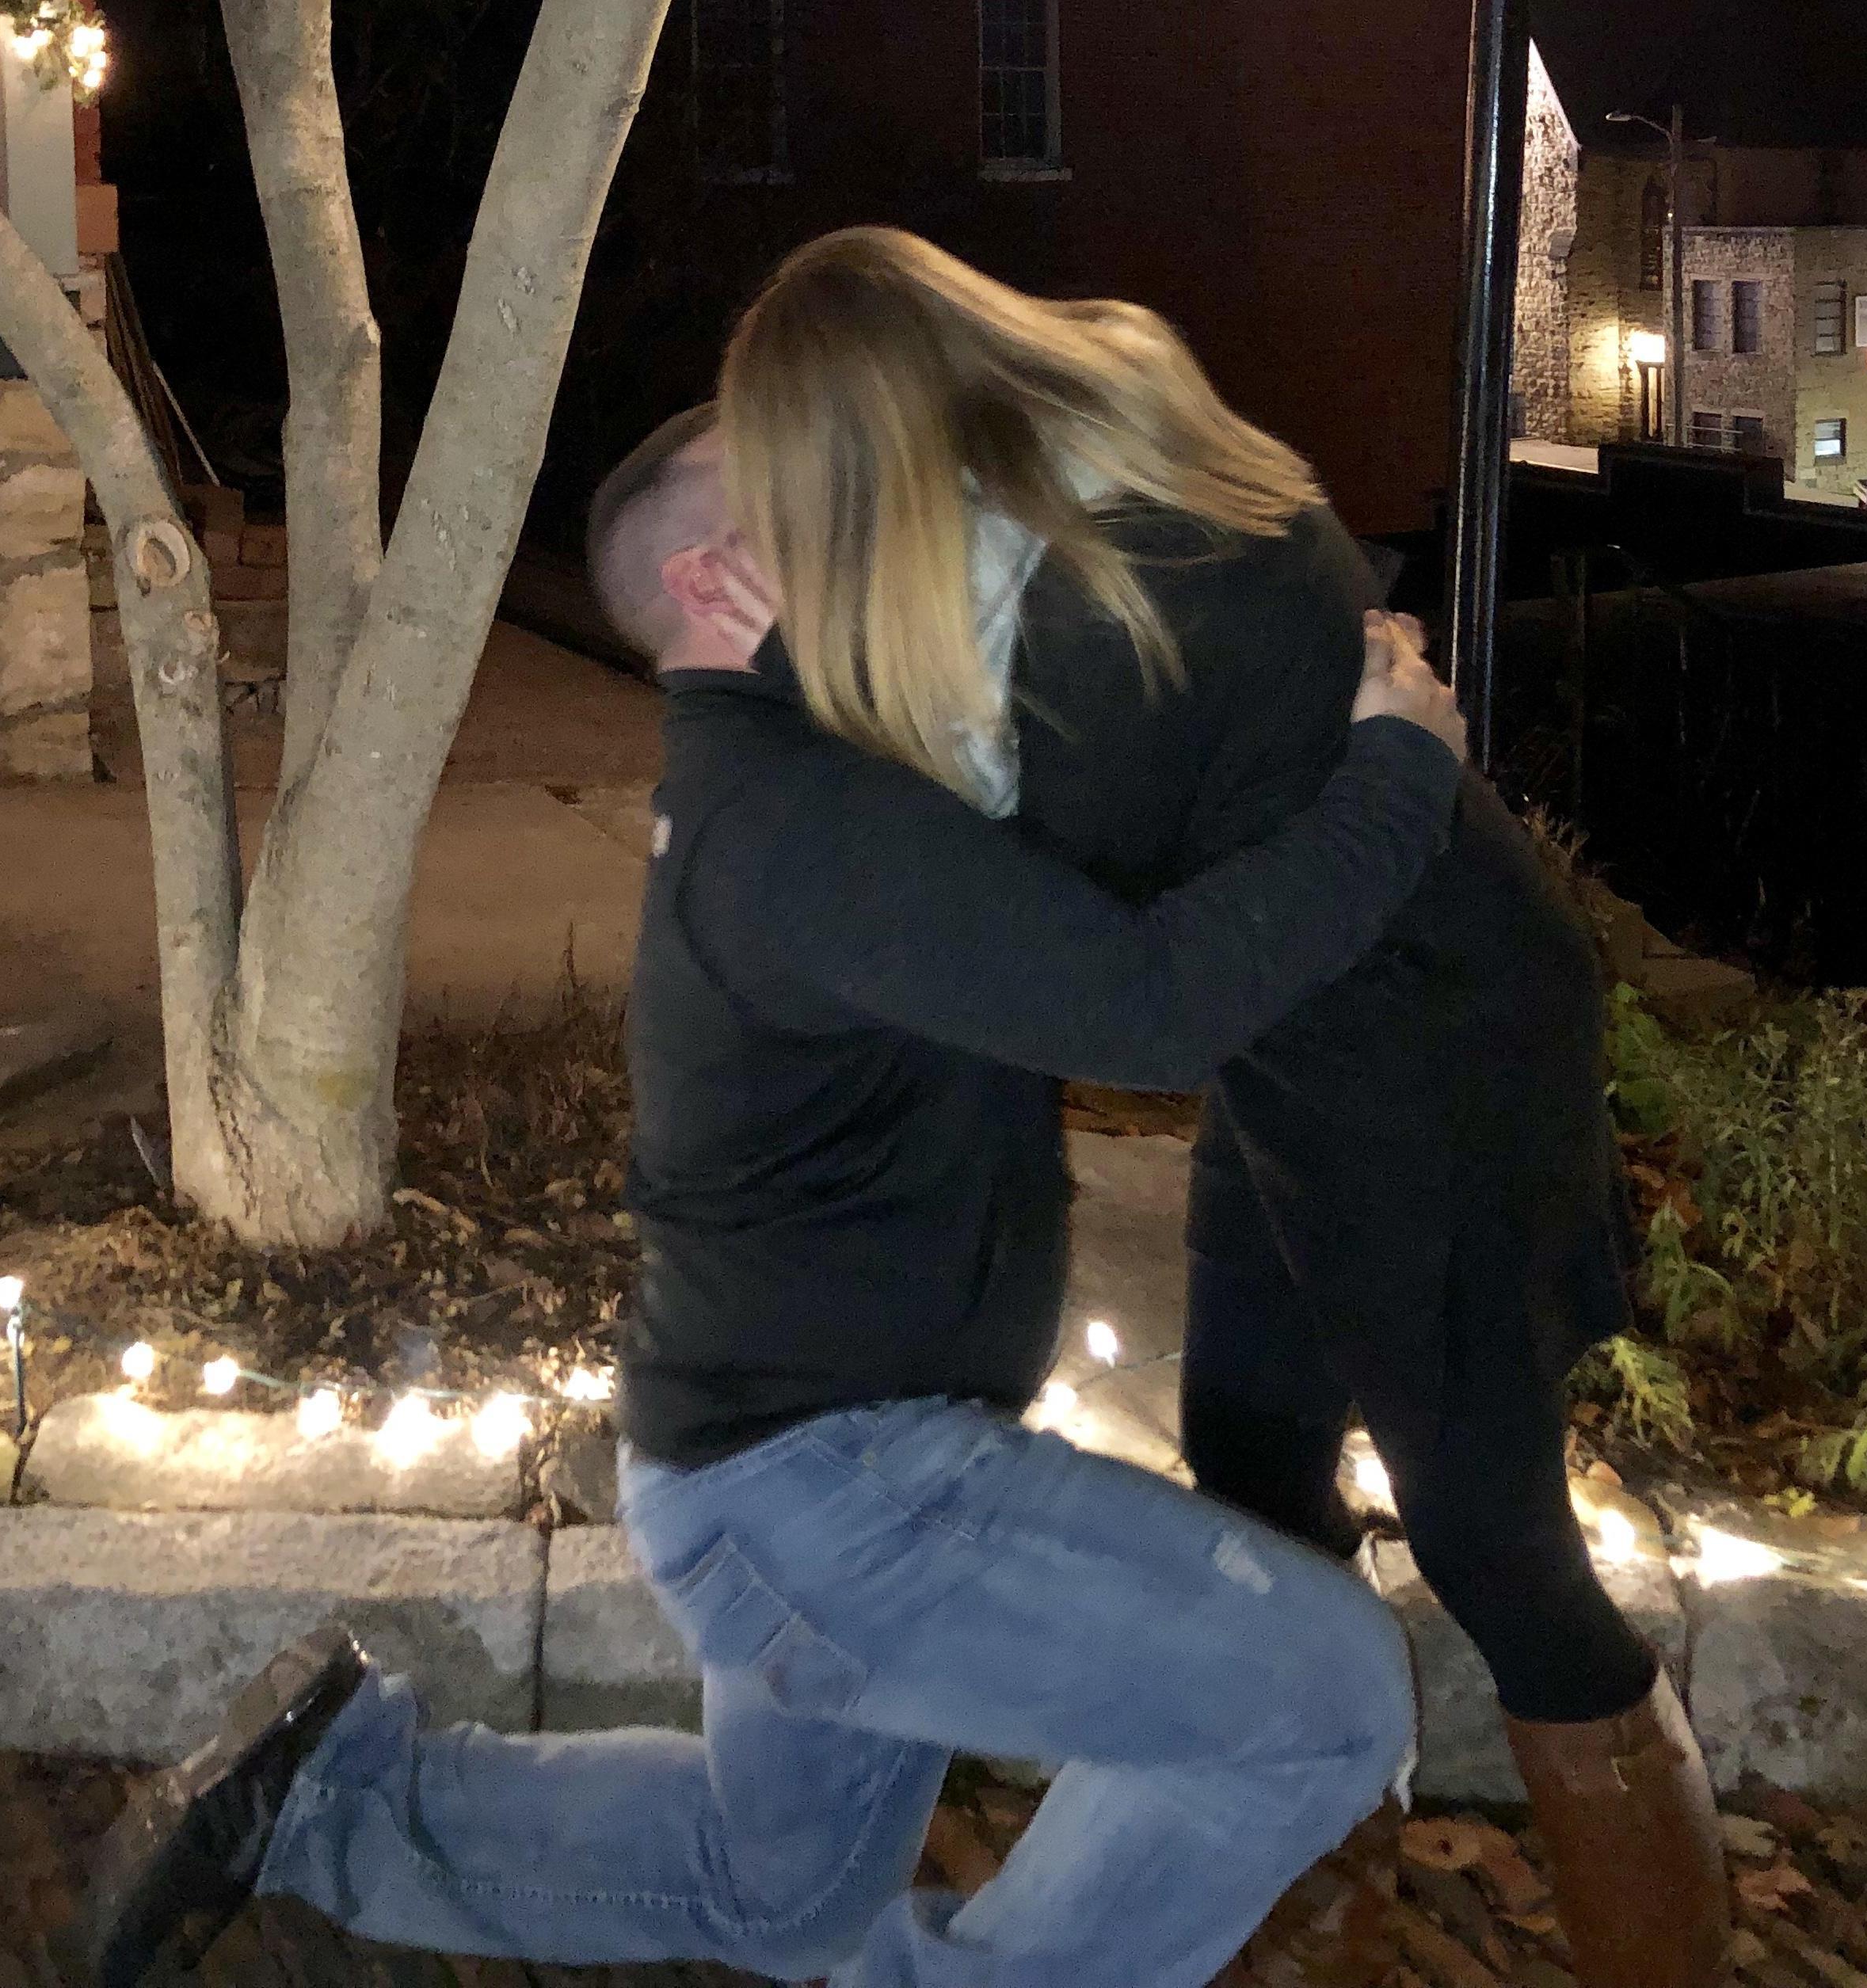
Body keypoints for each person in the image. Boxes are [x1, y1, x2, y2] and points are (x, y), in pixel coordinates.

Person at [81, 409, 1469, 1988]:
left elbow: (1100, 826)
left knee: (779, 1888)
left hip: (767, 1467)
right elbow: (1153, 1009)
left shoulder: (804, 786)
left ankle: (323, 1806)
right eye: (833, 500)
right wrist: (1402, 769)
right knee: (1324, 1698)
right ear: (719, 579)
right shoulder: (814, 826)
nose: (899, 524)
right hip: (841, 1491)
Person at [714, 229, 1731, 1988]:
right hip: (1308, 1031)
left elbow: (1128, 989)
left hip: (1429, 1053)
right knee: (1253, 1473)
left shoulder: (1106, 619)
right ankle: (1312, 1911)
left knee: (1497, 1546)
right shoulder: (1092, 462)